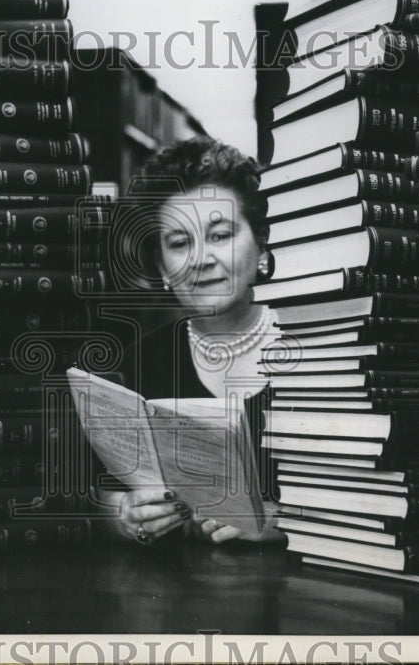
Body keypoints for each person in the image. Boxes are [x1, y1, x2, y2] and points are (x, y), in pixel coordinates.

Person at [94, 136, 284, 546]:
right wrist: (124, 515)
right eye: (180, 244)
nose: (201, 259)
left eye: (220, 235)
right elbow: (101, 491)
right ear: (162, 267)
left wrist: (283, 526)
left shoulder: (330, 349)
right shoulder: (140, 362)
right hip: (180, 596)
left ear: (262, 243)